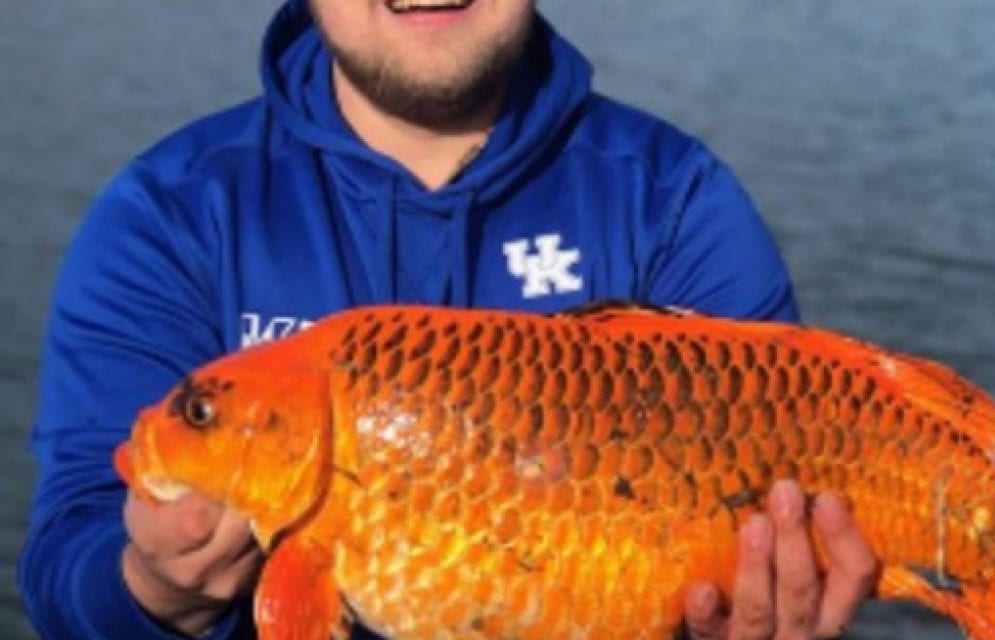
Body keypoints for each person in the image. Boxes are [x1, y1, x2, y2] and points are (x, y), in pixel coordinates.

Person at [19, 1, 879, 638]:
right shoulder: (170, 214)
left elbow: (789, 510)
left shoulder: (674, 202)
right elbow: (64, 570)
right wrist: (152, 587)